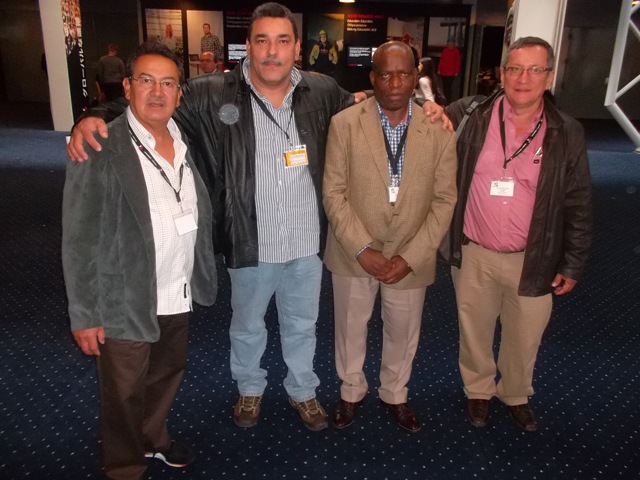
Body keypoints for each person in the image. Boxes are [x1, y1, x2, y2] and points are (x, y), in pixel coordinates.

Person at [66, 1, 448, 434]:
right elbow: (152, 101)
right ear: (247, 46)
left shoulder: (321, 91)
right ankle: (249, 387)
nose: (271, 51)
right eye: (262, 40)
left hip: (305, 241)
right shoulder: (212, 92)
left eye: (282, 41)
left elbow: (372, 103)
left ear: (297, 48)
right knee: (247, 326)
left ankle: (303, 389)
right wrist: (94, 117)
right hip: (250, 238)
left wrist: (426, 105)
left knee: (303, 325)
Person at [62, 42, 217, 479]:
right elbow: (78, 237)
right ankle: (124, 465)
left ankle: (152, 437)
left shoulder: (185, 140)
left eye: (168, 83)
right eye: (146, 80)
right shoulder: (100, 144)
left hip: (176, 288)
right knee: (124, 391)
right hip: (124, 297)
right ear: (127, 87)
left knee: (166, 374)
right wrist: (84, 313)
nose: (157, 92)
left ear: (179, 93)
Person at [440, 36, 593, 432]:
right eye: (515, 69)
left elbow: (578, 201)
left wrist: (573, 262)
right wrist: (426, 106)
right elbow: (428, 115)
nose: (523, 78)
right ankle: (478, 389)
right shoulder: (471, 114)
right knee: (474, 328)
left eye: (534, 70)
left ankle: (515, 392)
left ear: (549, 77)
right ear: (502, 74)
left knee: (525, 335)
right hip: (474, 250)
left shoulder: (567, 132)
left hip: (534, 256)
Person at [323, 41, 457, 433]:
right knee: (350, 327)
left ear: (416, 77)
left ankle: (395, 392)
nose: (394, 83)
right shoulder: (344, 124)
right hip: (353, 251)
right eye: (385, 74)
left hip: (411, 252)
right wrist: (361, 248)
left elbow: (445, 200)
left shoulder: (439, 129)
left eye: (403, 74)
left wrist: (412, 256)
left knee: (403, 330)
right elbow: (333, 192)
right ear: (372, 77)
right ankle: (351, 389)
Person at [438, 39, 461, 103]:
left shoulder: (456, 51)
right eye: (449, 43)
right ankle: (445, 99)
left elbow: (457, 62)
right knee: (444, 86)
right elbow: (441, 60)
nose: (450, 44)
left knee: (449, 87)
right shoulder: (445, 50)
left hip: (451, 72)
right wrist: (439, 69)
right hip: (443, 72)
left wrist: (456, 71)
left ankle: (448, 100)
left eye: (451, 43)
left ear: (453, 44)